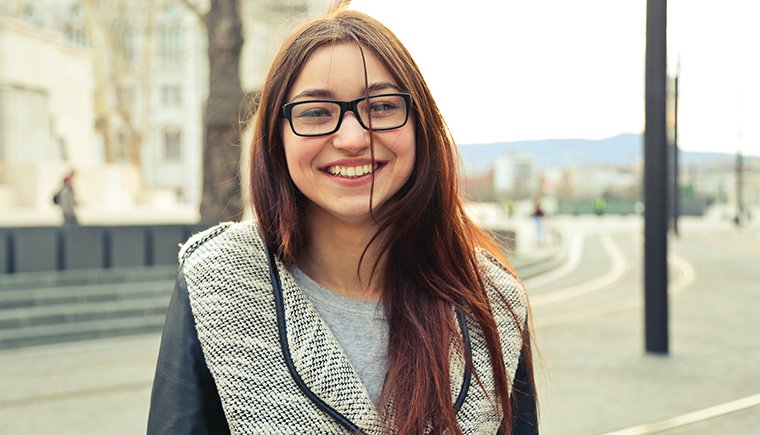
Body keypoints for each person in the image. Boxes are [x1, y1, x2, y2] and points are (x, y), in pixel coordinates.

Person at [148, 9, 537, 435]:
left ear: (421, 125)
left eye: (382, 106)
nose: (352, 139)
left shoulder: (492, 300)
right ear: (276, 137)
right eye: (315, 112)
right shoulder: (218, 280)